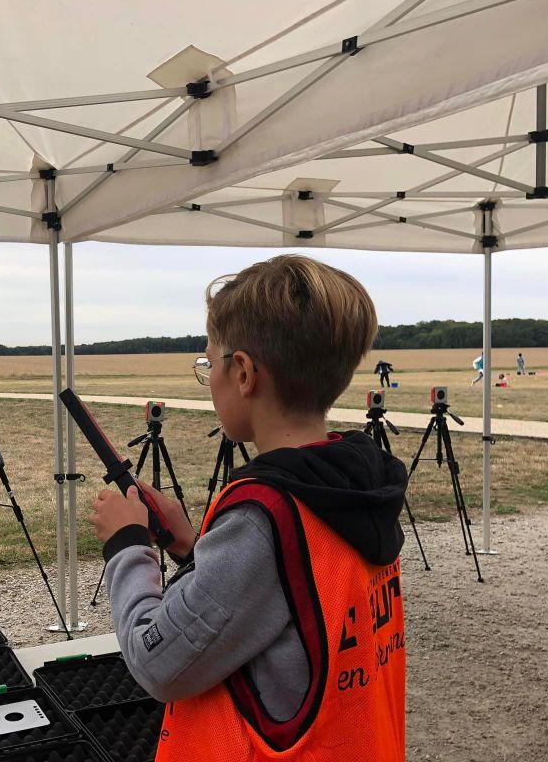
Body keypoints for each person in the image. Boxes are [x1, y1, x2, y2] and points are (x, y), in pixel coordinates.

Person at [89, 255, 407, 761]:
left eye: (208, 364)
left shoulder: (263, 516)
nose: (209, 378)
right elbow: (289, 596)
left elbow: (159, 665)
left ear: (242, 372)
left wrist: (126, 546)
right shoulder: (354, 485)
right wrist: (192, 547)